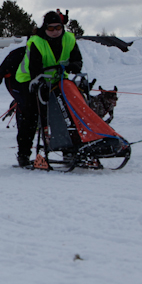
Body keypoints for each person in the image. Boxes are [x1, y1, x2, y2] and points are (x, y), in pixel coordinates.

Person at [14, 11, 83, 167]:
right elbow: (34, 68)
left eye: (58, 27)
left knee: (64, 115)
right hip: (30, 80)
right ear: (44, 28)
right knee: (31, 117)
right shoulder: (36, 42)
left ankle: (68, 150)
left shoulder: (69, 39)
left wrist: (71, 67)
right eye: (50, 28)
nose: (55, 31)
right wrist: (40, 82)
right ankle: (23, 154)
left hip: (57, 80)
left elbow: (77, 61)